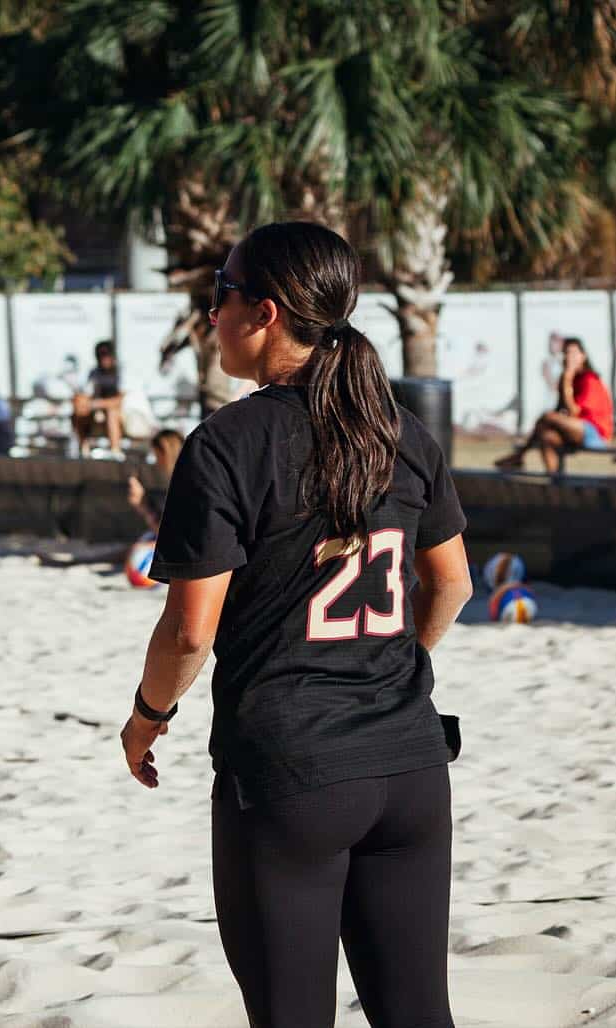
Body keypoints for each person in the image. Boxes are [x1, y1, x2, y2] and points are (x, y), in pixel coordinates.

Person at [119, 222, 471, 1028]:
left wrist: (147, 719)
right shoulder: (401, 433)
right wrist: (391, 664)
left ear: (266, 312)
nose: (213, 316)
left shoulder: (226, 445)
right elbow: (451, 581)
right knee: (420, 1016)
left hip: (288, 771)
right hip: (411, 766)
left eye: (221, 295)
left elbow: (188, 633)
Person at [495, 337, 613, 474]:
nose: (569, 357)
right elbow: (560, 411)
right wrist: (566, 380)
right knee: (547, 436)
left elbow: (573, 412)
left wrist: (567, 378)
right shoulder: (569, 379)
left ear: (583, 356)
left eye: (573, 353)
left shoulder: (589, 380)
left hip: (595, 434)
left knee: (547, 416)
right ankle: (555, 482)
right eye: (566, 353)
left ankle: (519, 455)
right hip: (574, 431)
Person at [72, 340, 124, 457]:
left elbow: (120, 400)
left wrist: (96, 404)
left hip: (122, 412)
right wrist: (81, 403)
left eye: (106, 354)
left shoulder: (121, 372)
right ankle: (83, 449)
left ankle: (116, 452)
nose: (104, 358)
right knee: (78, 407)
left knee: (112, 412)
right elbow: (87, 393)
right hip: (98, 411)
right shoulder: (94, 373)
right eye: (100, 355)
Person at [126, 428, 184, 534]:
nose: (157, 462)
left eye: (157, 455)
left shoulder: (183, 485)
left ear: (165, 453)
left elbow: (168, 535)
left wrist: (142, 505)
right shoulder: (182, 479)